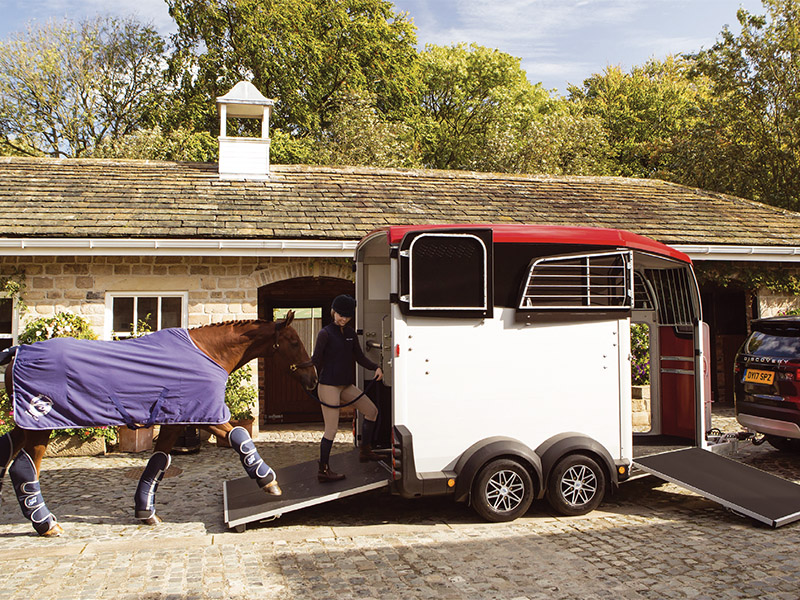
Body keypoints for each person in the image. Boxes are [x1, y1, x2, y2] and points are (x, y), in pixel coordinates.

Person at [311, 294, 383, 482]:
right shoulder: (325, 333)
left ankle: (365, 451)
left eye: (347, 316)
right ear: (333, 312)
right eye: (340, 314)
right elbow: (315, 361)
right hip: (328, 386)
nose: (343, 318)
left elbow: (359, 357)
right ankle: (323, 470)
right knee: (331, 429)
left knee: (372, 411)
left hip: (346, 385)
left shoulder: (350, 333)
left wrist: (375, 367)